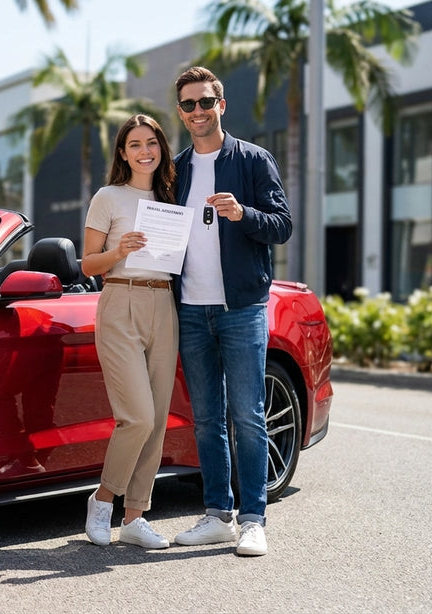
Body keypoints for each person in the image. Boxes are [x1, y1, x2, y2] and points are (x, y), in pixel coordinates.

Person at [170, 66, 292, 557]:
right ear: (180, 112)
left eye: (205, 102)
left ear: (222, 105)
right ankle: (217, 514)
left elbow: (282, 225)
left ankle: (253, 519)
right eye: (188, 105)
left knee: (247, 415)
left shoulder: (253, 160)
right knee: (206, 419)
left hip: (241, 307)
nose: (197, 111)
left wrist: (243, 214)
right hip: (192, 310)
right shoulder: (175, 169)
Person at [81, 114, 178, 549]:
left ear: (161, 148)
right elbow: (87, 264)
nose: (145, 151)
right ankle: (102, 501)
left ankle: (136, 517)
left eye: (151, 143)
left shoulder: (173, 196)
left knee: (156, 420)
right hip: (120, 301)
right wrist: (118, 250)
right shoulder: (108, 197)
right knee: (136, 415)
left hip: (165, 303)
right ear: (123, 153)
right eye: (135, 144)